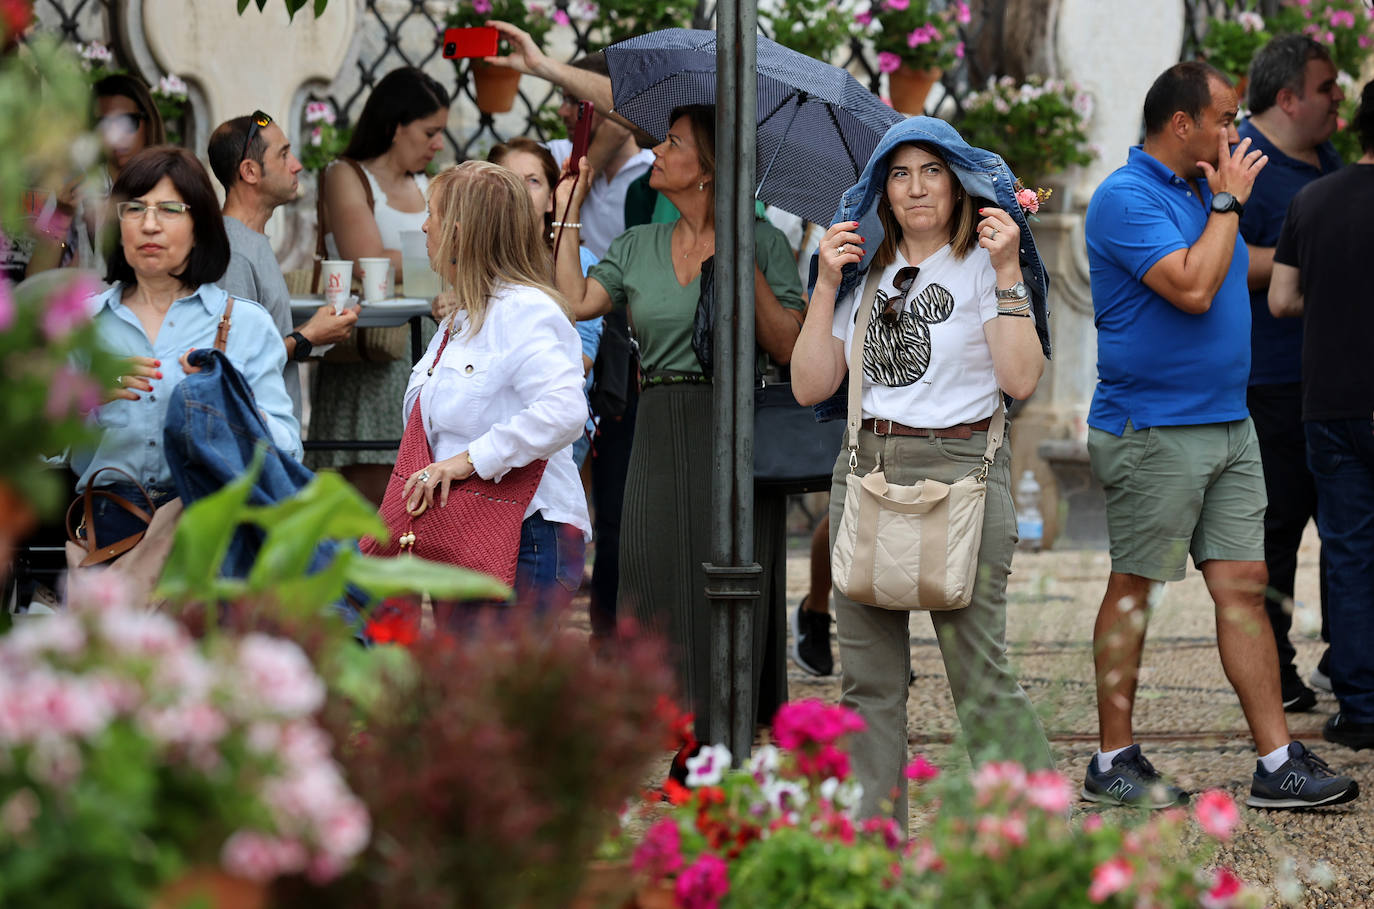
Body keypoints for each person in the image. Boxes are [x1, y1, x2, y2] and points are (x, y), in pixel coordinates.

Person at [1082, 61, 1357, 810]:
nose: (1234, 132)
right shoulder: (1123, 198)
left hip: (1229, 424)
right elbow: (1196, 287)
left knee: (1243, 589)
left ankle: (1276, 761)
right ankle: (1112, 757)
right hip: (1154, 429)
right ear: (1182, 125)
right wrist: (1230, 200)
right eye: (1225, 119)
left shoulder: (1207, 196)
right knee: (1135, 586)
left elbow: (1238, 278)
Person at [791, 116, 1055, 821]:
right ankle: (872, 858)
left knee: (981, 679)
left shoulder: (983, 264)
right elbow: (811, 385)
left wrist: (1005, 272)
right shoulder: (860, 270)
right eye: (900, 172)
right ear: (881, 188)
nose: (915, 187)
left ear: (959, 182)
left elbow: (1022, 377)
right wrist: (823, 284)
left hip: (964, 471)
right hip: (868, 471)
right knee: (867, 686)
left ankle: (1042, 845)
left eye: (931, 170)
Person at [555, 102, 806, 741]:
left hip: (737, 425)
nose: (655, 153)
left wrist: (740, 253)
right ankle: (665, 717)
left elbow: (787, 345)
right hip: (659, 420)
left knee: (727, 575)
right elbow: (572, 300)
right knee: (649, 565)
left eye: (671, 144)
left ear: (708, 169)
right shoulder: (637, 244)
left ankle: (725, 723)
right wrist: (569, 210)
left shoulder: (765, 242)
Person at [73, 146, 300, 546]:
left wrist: (233, 406)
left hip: (211, 524)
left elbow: (288, 447)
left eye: (170, 209)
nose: (150, 225)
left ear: (200, 225)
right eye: (135, 209)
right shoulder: (84, 325)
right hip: (109, 524)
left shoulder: (245, 323)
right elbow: (35, 452)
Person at [402, 161, 589, 619]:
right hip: (463, 539)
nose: (424, 227)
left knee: (499, 689)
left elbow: (565, 412)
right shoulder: (459, 320)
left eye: (433, 215)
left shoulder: (525, 311)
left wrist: (466, 462)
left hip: (524, 537)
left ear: (461, 232)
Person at [1238, 35, 1345, 713]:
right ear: (1288, 97)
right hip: (1271, 379)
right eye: (1329, 87)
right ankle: (1272, 664)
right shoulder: (1243, 160)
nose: (1341, 98)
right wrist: (1314, 253)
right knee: (1274, 533)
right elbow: (1217, 258)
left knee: (1347, 531)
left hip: (1336, 379)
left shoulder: (1331, 157)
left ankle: (1350, 653)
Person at [1269, 79, 1374, 751]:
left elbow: (1281, 299)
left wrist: (1335, 302)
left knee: (1350, 554)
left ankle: (1362, 708)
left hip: (1331, 404)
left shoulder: (1312, 199)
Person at [309, 67, 449, 506]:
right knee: (373, 491)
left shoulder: (428, 184)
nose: (438, 144)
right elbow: (365, 256)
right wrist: (442, 254)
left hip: (427, 346)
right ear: (395, 127)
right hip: (372, 349)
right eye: (430, 131)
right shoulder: (346, 174)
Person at [207, 111, 359, 423]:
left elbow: (263, 341)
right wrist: (308, 336)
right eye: (284, 154)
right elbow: (233, 360)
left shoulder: (251, 240)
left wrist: (316, 333)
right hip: (252, 439)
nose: (297, 165)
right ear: (250, 171)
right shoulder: (231, 251)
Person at [487, 137, 602, 470]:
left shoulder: (578, 262)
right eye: (506, 181)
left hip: (553, 425)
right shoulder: (474, 262)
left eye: (532, 181)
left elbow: (580, 362)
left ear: (552, 198)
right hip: (484, 424)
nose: (519, 192)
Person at [33, 73, 166, 275]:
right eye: (102, 124)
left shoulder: (170, 182)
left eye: (127, 122)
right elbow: (36, 275)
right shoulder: (76, 183)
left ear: (148, 122)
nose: (115, 135)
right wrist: (62, 216)